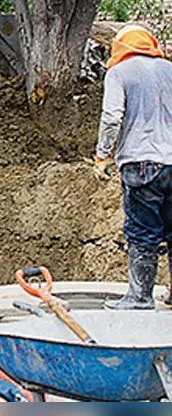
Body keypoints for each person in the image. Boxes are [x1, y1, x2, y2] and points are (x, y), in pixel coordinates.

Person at [93, 24, 172, 310]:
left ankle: (140, 297)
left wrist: (102, 156)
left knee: (142, 231)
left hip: (141, 164)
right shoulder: (169, 69)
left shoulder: (119, 73)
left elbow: (112, 117)